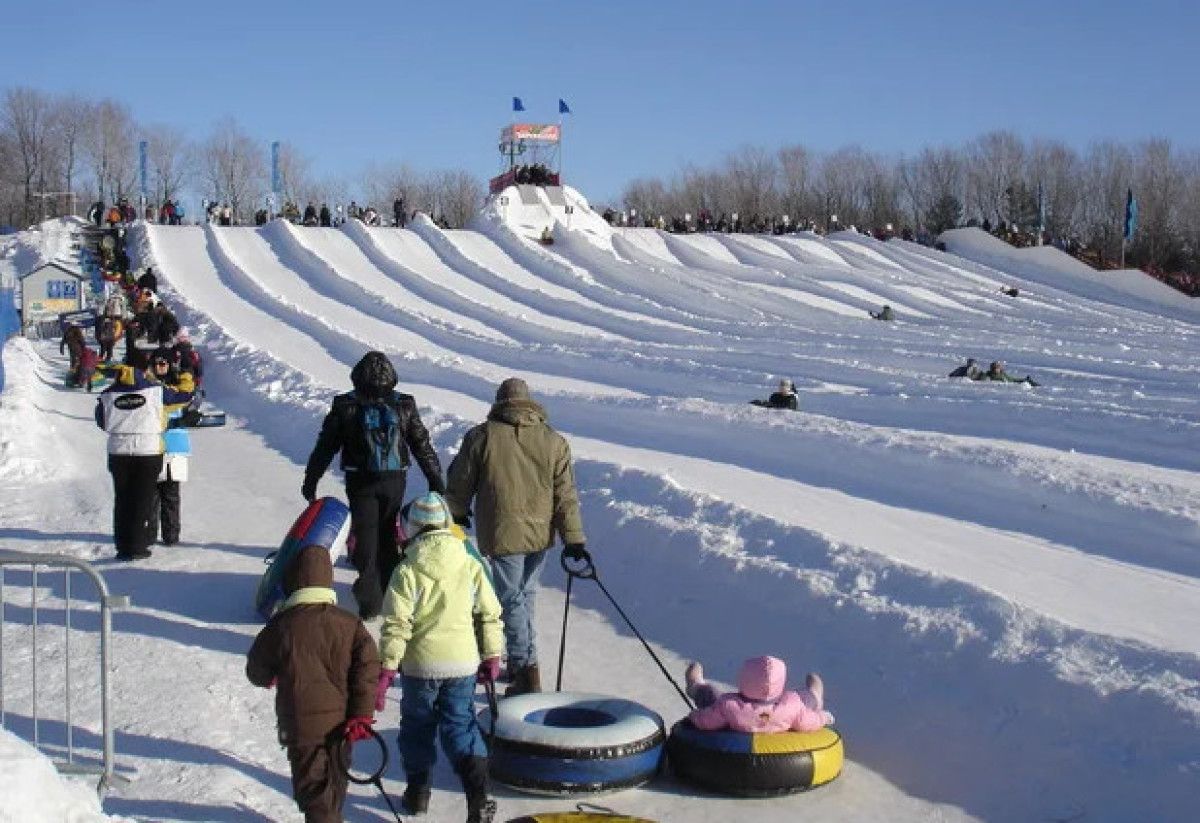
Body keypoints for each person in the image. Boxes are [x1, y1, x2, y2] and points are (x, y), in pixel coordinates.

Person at [445, 378, 586, 697]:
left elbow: (461, 480)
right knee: (525, 596)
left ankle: (525, 670)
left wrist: (456, 511)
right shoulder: (554, 441)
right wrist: (573, 538)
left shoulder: (482, 436)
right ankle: (524, 660)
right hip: (540, 531)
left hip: (502, 529)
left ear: (500, 402)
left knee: (511, 599)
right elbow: (565, 494)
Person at [375, 492, 503, 822]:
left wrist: (387, 667)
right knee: (461, 725)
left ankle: (418, 793)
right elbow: (489, 613)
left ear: (412, 528)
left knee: (417, 728)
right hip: (462, 664)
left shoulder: (407, 570)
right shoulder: (470, 563)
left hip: (420, 667)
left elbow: (396, 624)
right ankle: (478, 795)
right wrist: (492, 654)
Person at [302, 352, 445, 619]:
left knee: (366, 535)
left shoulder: (345, 405)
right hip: (394, 480)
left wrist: (312, 479)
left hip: (361, 481)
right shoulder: (404, 404)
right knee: (389, 534)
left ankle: (370, 601)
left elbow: (325, 446)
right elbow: (421, 444)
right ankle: (392, 593)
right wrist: (436, 480)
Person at [247, 545, 380, 823]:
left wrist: (270, 676)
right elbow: (367, 668)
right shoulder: (350, 624)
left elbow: (256, 670)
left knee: (313, 790)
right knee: (334, 783)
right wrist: (361, 713)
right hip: (343, 723)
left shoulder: (281, 625)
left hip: (301, 726)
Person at [94, 363, 193, 560]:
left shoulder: (108, 395)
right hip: (147, 452)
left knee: (122, 500)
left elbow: (101, 421)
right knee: (142, 500)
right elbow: (184, 397)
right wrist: (186, 379)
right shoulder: (155, 391)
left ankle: (123, 546)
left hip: (118, 452)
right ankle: (138, 546)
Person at [684, 655, 834, 733]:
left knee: (710, 697)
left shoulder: (729, 706)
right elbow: (808, 722)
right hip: (783, 711)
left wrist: (694, 717)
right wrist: (824, 717)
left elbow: (708, 721)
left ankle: (696, 685)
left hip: (733, 714)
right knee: (805, 699)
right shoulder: (791, 707)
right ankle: (815, 694)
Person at [149, 349, 196, 545]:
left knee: (171, 494)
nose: (159, 367)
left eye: (163, 363)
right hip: (151, 446)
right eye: (156, 363)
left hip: (175, 447)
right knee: (150, 495)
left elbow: (188, 404)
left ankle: (171, 535)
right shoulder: (147, 386)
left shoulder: (181, 388)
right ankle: (149, 535)